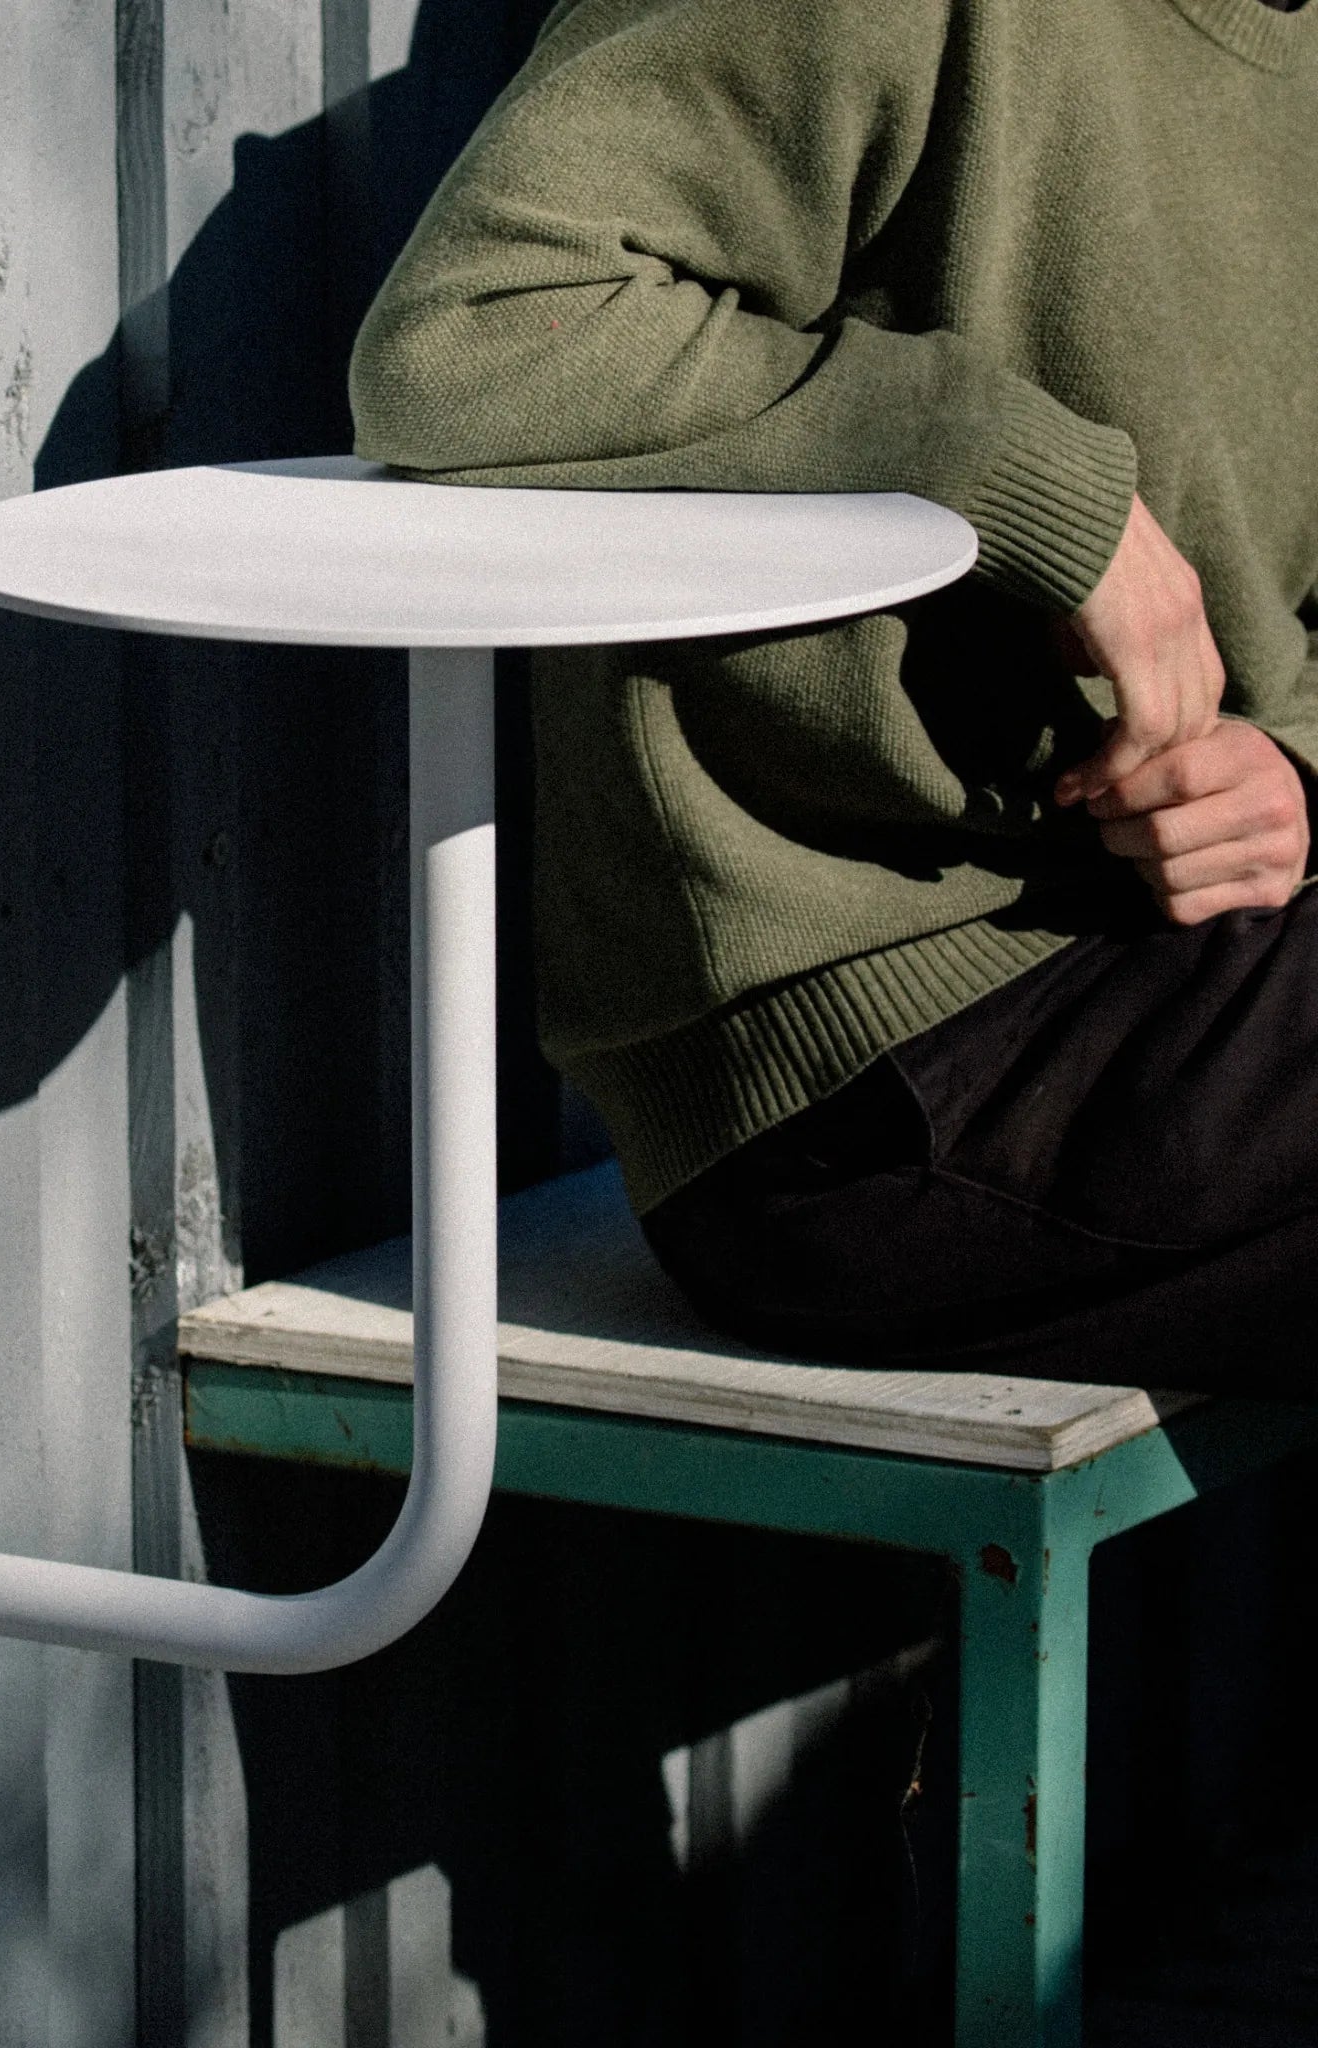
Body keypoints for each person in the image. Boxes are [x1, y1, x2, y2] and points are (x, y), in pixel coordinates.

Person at [349, 0, 1318, 1392]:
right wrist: (1002, 468)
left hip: (1185, 964)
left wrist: (1295, 771)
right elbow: (473, 331)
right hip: (859, 1077)